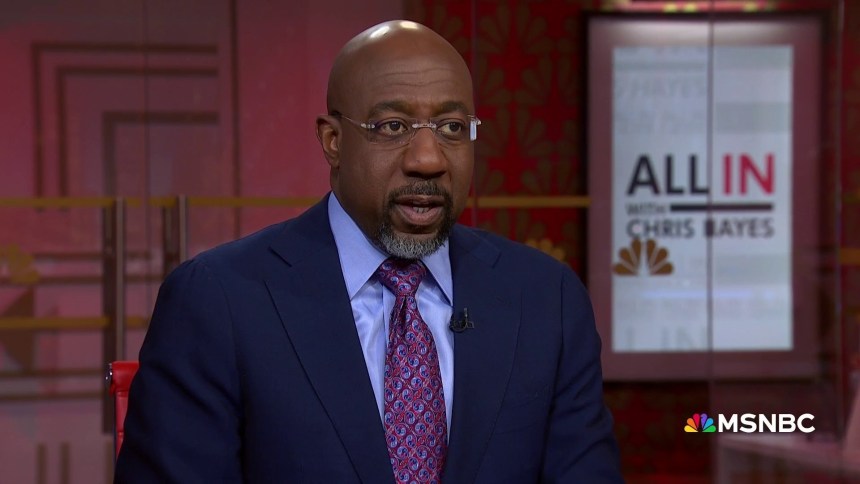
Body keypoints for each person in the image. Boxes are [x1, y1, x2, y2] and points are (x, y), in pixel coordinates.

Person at [115, 20, 621, 483]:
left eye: (451, 128)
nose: (428, 160)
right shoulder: (220, 301)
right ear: (332, 141)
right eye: (393, 127)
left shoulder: (545, 299)